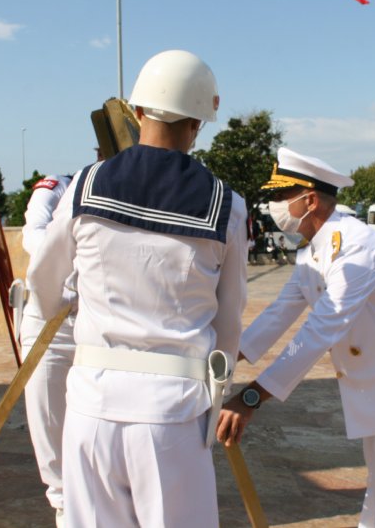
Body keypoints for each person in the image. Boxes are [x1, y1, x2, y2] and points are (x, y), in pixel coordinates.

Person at [27, 49, 247, 528]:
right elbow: (229, 325)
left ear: (138, 111)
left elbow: (44, 288)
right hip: (173, 411)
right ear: (197, 122)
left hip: (90, 408)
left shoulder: (85, 186)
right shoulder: (225, 206)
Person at [217, 148, 375, 528]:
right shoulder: (313, 249)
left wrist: (252, 396)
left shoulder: (358, 246)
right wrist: (224, 356)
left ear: (308, 200)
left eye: (280, 196)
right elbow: (281, 311)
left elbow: (321, 328)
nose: (273, 205)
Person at [20, 174, 77, 527]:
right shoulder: (58, 187)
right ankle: (63, 508)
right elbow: (35, 235)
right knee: (49, 423)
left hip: (98, 324)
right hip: (49, 326)